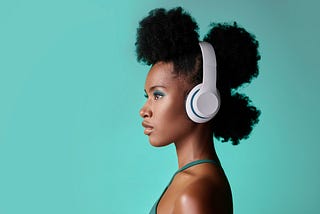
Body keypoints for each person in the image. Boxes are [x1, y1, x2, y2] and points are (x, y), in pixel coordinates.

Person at [136, 7, 261, 214]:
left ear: (202, 102)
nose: (144, 110)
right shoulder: (191, 180)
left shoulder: (193, 194)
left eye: (157, 95)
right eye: (147, 96)